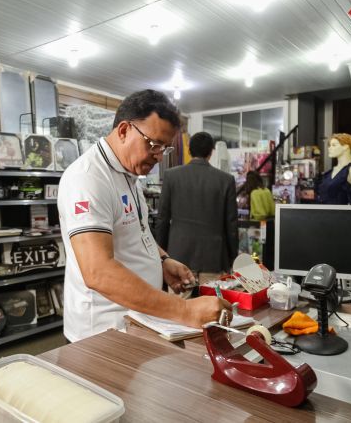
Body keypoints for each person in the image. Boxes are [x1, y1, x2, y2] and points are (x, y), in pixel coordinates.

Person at [57, 89, 230, 343]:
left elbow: (136, 232)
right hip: (102, 333)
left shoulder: (129, 175)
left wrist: (162, 260)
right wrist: (185, 309)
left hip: (136, 322)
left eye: (165, 148)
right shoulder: (88, 178)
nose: (159, 157)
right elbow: (97, 271)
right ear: (125, 130)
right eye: (154, 144)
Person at [156, 132, 238, 284]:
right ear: (211, 152)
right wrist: (233, 257)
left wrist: (162, 256)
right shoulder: (225, 180)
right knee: (210, 305)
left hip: (178, 256)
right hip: (213, 258)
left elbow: (162, 219)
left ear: (189, 151)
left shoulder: (171, 176)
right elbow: (231, 225)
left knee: (179, 306)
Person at [317, 133, 351, 204]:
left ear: (346, 147)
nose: (329, 148)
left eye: (334, 145)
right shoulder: (329, 173)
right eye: (329, 145)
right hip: (324, 213)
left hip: (343, 214)